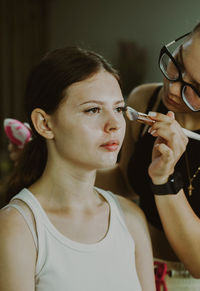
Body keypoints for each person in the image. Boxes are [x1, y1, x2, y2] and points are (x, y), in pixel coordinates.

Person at [0, 46, 156, 290]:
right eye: (93, 110)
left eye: (118, 108)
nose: (115, 124)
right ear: (44, 123)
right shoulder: (17, 228)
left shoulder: (130, 218)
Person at [96, 22, 200, 290]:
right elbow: (126, 182)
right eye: (178, 63)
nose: (174, 90)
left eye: (197, 89)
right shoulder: (145, 99)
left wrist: (164, 178)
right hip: (133, 264)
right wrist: (57, 159)